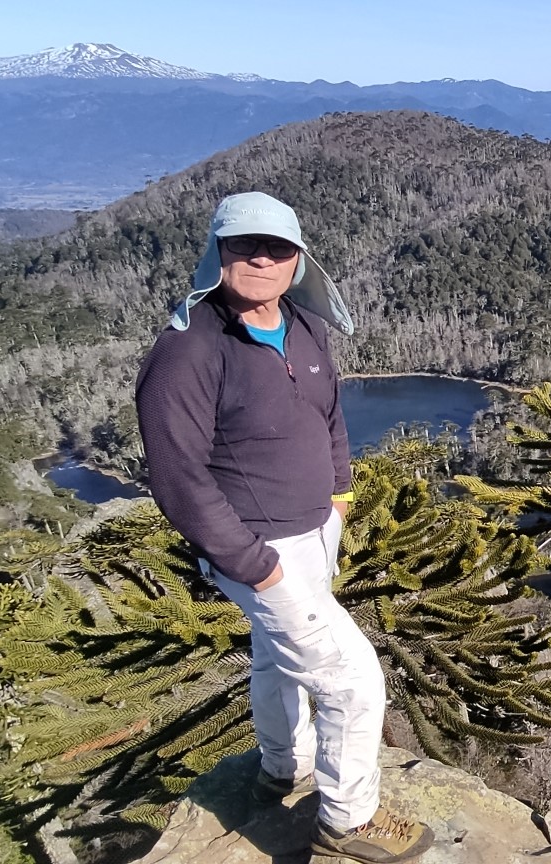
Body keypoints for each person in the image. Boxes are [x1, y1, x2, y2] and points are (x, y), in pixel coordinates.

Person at [135, 192, 433, 863]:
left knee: (278, 658)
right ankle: (347, 823)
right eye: (245, 246)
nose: (261, 258)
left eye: (276, 248)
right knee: (353, 678)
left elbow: (326, 413)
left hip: (314, 530)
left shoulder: (302, 324)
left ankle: (282, 766)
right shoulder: (186, 353)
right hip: (257, 550)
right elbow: (178, 482)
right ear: (217, 255)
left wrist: (340, 493)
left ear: (299, 260)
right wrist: (254, 563)